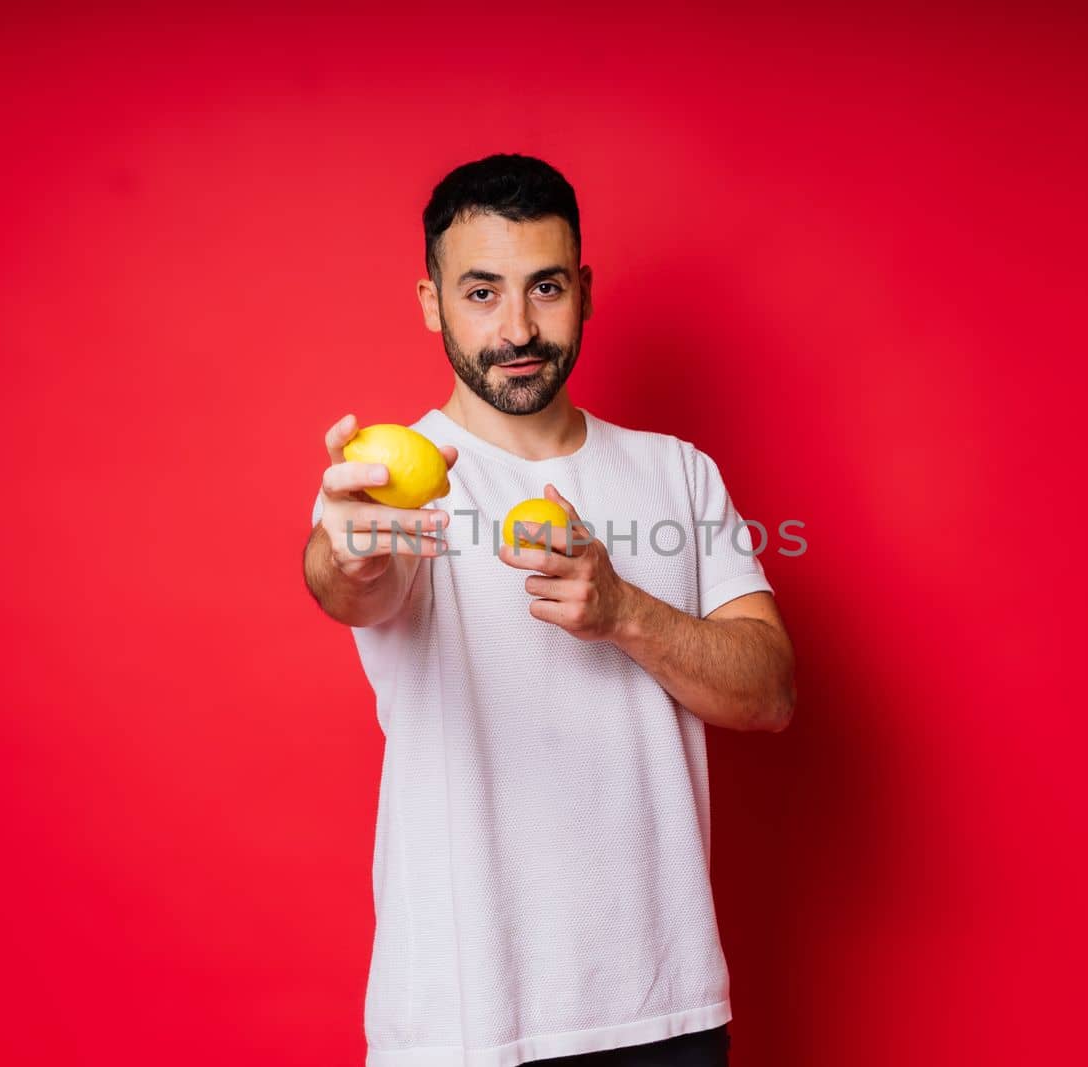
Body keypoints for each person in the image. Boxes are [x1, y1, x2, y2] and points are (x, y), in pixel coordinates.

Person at [304, 153, 795, 1067]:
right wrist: (348, 547)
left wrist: (624, 612)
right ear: (430, 301)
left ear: (586, 290)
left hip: (668, 1011)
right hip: (467, 1024)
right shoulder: (395, 484)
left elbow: (769, 691)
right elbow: (346, 582)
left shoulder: (678, 472)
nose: (519, 328)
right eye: (482, 293)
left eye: (547, 287)